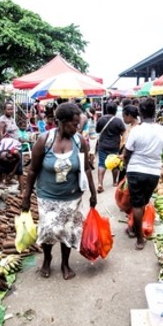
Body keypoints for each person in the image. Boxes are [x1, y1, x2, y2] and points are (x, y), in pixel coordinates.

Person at [21, 102, 97, 280]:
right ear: (61, 122)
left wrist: (93, 193)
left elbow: (86, 169)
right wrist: (25, 197)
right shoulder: (44, 140)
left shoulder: (79, 141)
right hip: (48, 197)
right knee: (48, 230)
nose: (77, 127)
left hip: (72, 197)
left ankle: (65, 263)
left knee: (68, 231)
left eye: (78, 124)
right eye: (74, 124)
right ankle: (47, 259)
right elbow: (32, 170)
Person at [121, 98, 163, 250]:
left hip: (135, 170)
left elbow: (127, 152)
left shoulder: (136, 130)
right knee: (142, 202)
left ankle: (139, 238)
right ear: (154, 112)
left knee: (137, 203)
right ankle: (134, 229)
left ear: (140, 113)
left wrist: (126, 166)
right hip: (153, 172)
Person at [95, 103, 126, 193]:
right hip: (114, 146)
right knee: (115, 163)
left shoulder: (101, 119)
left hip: (103, 145)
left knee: (101, 164)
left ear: (106, 109)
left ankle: (100, 183)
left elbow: (97, 130)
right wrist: (122, 142)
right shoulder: (118, 121)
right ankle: (115, 182)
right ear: (116, 111)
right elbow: (123, 132)